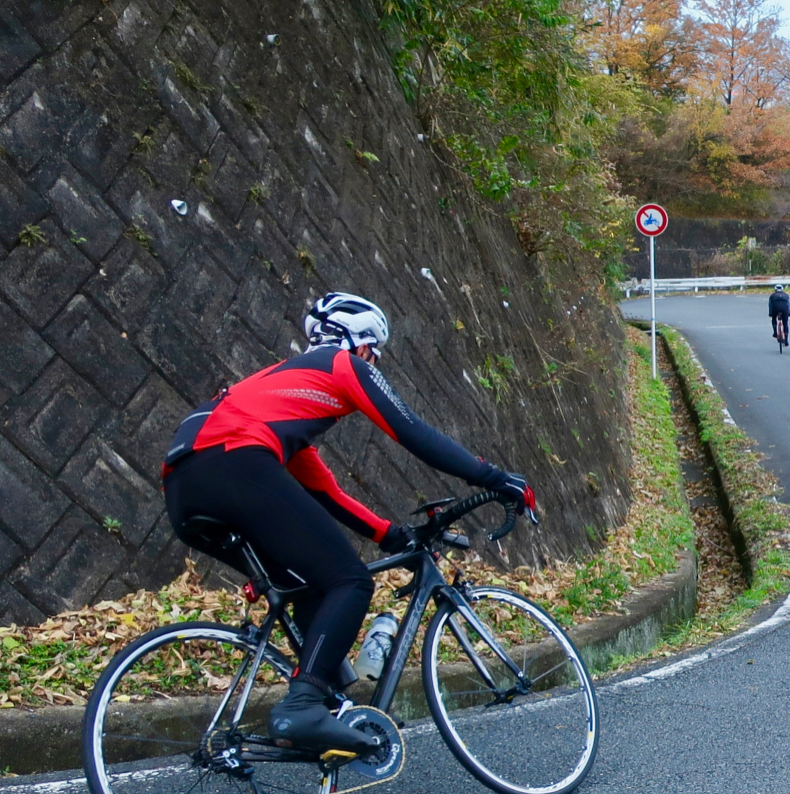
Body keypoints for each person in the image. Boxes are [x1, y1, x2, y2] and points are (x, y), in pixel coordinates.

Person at [160, 292, 534, 755]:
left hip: (184, 485)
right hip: (236, 462)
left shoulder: (280, 400)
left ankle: (325, 709)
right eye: (374, 352)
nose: (374, 362)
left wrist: (389, 535)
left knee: (310, 586)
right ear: (359, 344)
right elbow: (412, 430)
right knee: (351, 581)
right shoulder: (342, 365)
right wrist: (496, 479)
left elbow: (326, 492)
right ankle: (301, 708)